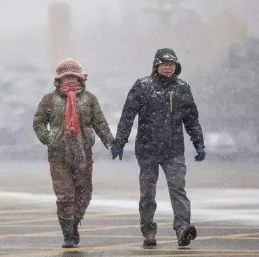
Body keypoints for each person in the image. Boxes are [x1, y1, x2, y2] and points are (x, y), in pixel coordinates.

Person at [111, 48, 206, 247]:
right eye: (164, 64)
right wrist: (120, 141)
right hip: (147, 149)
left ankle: (182, 229)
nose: (168, 68)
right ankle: (148, 231)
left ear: (176, 67)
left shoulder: (182, 88)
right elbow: (128, 115)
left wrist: (198, 143)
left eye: (171, 65)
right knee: (147, 193)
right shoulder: (142, 86)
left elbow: (191, 119)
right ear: (156, 66)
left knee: (178, 189)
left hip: (174, 150)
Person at [33, 58, 114, 248]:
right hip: (58, 154)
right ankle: (68, 234)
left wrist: (110, 142)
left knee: (84, 194)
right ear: (59, 80)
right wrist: (49, 138)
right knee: (65, 196)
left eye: (73, 77)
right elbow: (38, 122)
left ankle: (74, 222)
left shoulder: (90, 99)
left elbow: (100, 123)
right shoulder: (49, 100)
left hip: (83, 153)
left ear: (80, 79)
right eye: (65, 78)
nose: (70, 81)